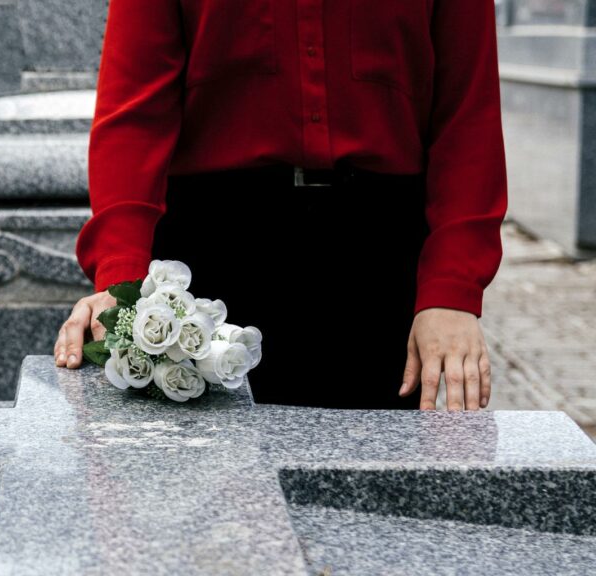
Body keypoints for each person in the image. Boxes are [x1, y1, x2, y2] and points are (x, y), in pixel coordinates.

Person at [53, 0, 507, 411]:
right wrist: (124, 283)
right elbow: (134, 113)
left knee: (381, 489)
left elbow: (468, 114)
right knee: (207, 490)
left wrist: (451, 290)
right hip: (213, 261)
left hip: (380, 262)